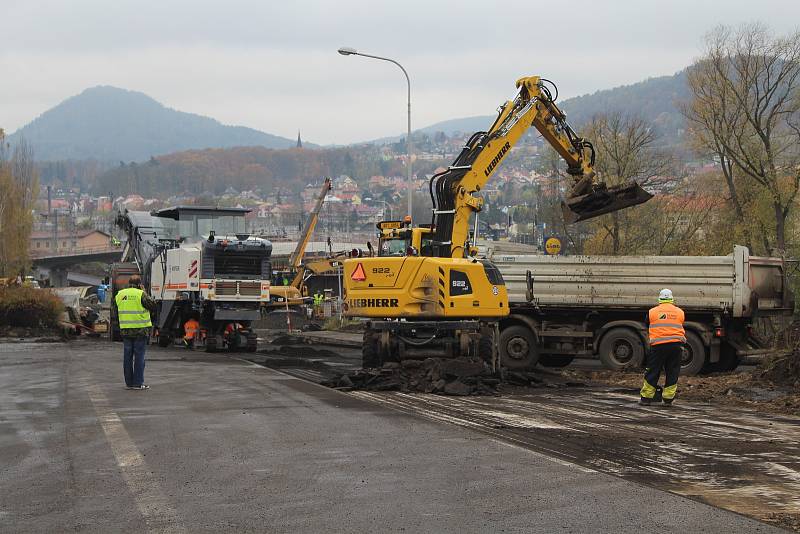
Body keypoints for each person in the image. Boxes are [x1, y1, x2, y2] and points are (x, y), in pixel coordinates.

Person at [640, 288, 686, 406]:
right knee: (672, 371)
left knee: (653, 371)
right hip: (676, 345)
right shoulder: (680, 312)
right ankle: (668, 399)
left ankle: (646, 398)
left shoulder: (652, 312)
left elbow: (647, 323)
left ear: (660, 299)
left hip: (658, 346)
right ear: (671, 299)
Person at [115, 275, 156, 390]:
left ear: (129, 283)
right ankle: (138, 383)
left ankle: (129, 383)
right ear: (139, 284)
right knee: (139, 357)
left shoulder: (120, 294)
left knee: (127, 357)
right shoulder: (140, 294)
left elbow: (115, 309)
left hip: (126, 330)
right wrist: (144, 291)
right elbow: (153, 305)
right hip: (140, 330)